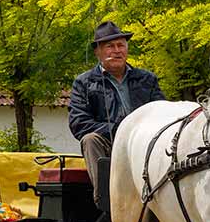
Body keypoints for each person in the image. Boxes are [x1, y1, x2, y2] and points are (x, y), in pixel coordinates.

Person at [68, 21, 166, 203]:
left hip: (145, 144)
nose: (117, 50)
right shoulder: (84, 82)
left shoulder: (147, 79)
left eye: (121, 45)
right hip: (109, 144)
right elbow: (78, 123)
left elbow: (162, 113)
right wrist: (119, 130)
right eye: (110, 46)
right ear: (98, 51)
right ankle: (108, 201)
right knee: (89, 140)